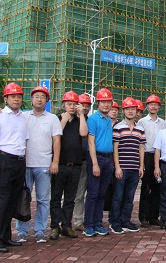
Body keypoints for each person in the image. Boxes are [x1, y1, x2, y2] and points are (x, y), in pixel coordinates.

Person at [16, 85, 62, 244]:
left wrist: (55, 161)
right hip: (25, 165)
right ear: (31, 100)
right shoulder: (23, 116)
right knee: (23, 199)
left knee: (43, 200)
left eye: (43, 97)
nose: (39, 99)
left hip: (44, 165)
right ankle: (22, 231)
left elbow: (56, 141)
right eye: (36, 96)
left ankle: (40, 231)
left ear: (47, 101)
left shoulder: (52, 119)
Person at [0, 82, 28, 253]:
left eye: (19, 96)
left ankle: (5, 237)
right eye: (12, 96)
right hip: (4, 160)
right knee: (0, 202)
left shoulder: (23, 117)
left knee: (12, 202)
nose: (16, 99)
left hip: (20, 162)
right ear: (5, 99)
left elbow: (25, 141)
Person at [49, 91, 88, 240]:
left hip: (75, 164)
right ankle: (55, 226)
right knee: (56, 197)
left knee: (70, 198)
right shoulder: (57, 119)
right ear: (64, 105)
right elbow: (55, 136)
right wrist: (64, 121)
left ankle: (66, 225)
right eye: (69, 104)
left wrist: (81, 115)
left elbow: (83, 133)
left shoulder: (80, 120)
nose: (72, 107)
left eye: (74, 104)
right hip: (60, 164)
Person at [111, 97, 146, 234]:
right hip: (122, 167)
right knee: (118, 196)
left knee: (129, 197)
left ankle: (126, 221)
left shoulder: (140, 129)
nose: (131, 111)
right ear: (123, 111)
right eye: (128, 109)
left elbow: (141, 148)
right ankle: (115, 222)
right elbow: (115, 148)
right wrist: (117, 167)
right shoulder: (118, 127)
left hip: (134, 168)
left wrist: (141, 166)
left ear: (136, 111)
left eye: (133, 109)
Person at [83, 88, 115, 238]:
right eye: (103, 102)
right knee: (93, 193)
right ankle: (88, 225)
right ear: (98, 103)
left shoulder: (108, 120)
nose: (106, 104)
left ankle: (97, 223)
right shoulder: (93, 119)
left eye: (108, 102)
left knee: (102, 194)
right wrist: (95, 163)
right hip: (97, 158)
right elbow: (91, 142)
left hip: (108, 159)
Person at [137, 94, 165, 228]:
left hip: (160, 157)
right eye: (151, 104)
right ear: (147, 106)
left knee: (157, 187)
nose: (153, 106)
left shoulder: (163, 123)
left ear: (159, 107)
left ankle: (154, 216)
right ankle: (143, 217)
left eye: (156, 104)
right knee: (146, 187)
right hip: (147, 156)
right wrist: (141, 162)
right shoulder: (142, 122)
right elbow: (140, 143)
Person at [73, 93, 92, 231]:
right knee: (66, 195)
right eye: (82, 105)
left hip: (85, 162)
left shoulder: (90, 121)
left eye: (87, 105)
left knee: (80, 194)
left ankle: (78, 220)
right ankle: (63, 221)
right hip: (69, 162)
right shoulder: (68, 119)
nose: (84, 107)